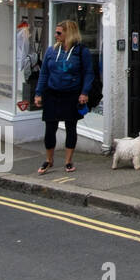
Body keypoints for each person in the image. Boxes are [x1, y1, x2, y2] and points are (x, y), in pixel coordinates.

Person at [33, 20, 94, 174]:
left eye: (59, 33)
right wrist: (38, 93)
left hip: (72, 94)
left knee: (70, 128)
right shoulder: (51, 51)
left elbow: (88, 73)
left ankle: (68, 161)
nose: (56, 35)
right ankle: (49, 160)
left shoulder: (81, 51)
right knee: (50, 129)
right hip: (52, 93)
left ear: (69, 33)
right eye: (56, 32)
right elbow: (44, 73)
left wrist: (84, 93)